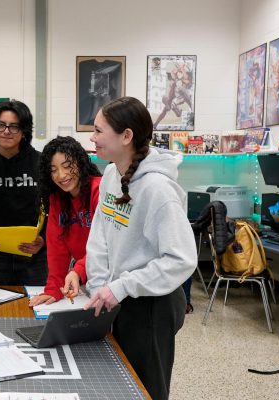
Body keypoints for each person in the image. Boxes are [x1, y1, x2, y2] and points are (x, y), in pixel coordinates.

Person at [84, 96, 197, 400]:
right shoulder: (110, 174)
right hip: (116, 297)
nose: (92, 138)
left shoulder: (157, 190)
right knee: (118, 384)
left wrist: (121, 286)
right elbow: (100, 235)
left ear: (126, 136)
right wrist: (99, 285)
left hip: (151, 305)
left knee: (147, 390)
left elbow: (181, 259)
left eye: (98, 130)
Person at [0, 100, 47, 286]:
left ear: (24, 131)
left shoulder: (42, 164)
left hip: (33, 256)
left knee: (34, 309)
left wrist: (43, 239)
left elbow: (53, 209)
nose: (6, 131)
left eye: (14, 126)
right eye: (1, 125)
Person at [28, 136, 101, 306]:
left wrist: (79, 270)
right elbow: (56, 247)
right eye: (53, 170)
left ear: (81, 163)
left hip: (111, 278)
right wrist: (54, 288)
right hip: (85, 278)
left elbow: (107, 246)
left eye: (68, 166)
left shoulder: (99, 190)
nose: (61, 175)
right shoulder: (58, 199)